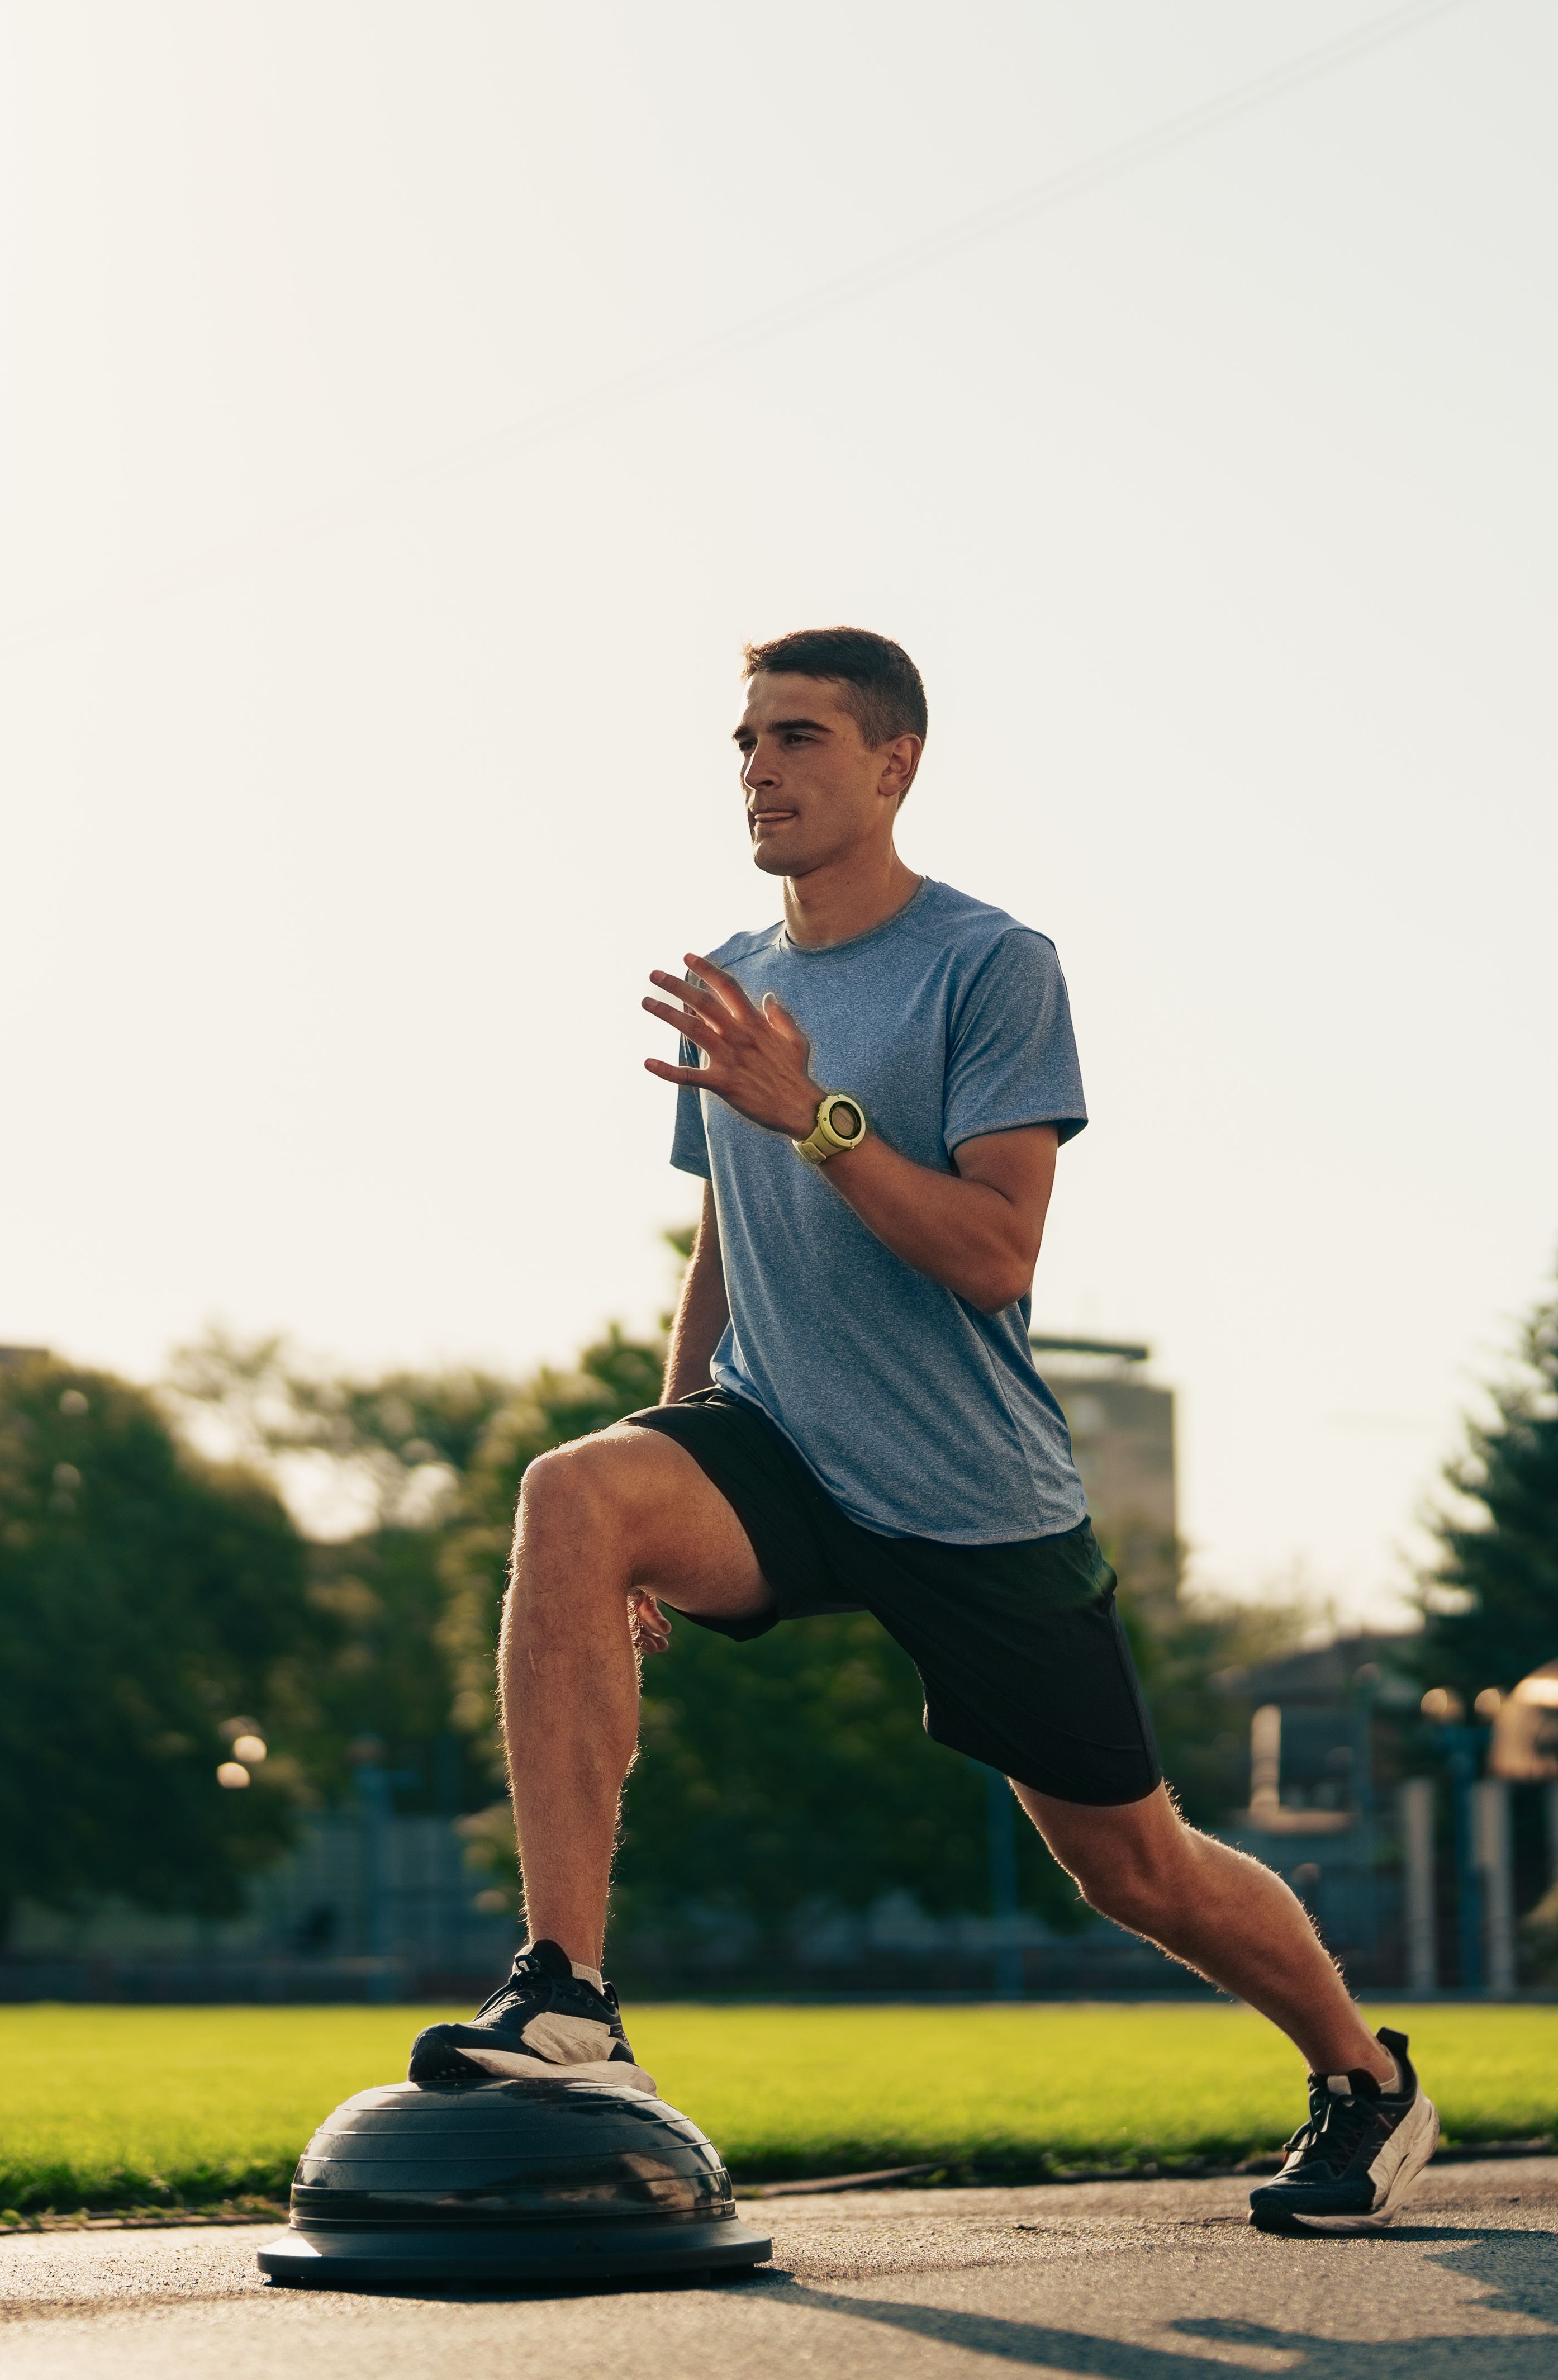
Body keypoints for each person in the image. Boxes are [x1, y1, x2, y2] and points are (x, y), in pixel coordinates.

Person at [406, 626, 1438, 2234]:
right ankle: (566, 1993)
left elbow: (996, 1253)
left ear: (894, 765)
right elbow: (725, 1247)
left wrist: (812, 1114)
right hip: (777, 1446)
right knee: (570, 1493)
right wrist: (664, 1472)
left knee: (1135, 1871)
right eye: (746, 741)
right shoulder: (738, 980)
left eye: (800, 738)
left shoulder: (990, 964)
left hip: (969, 1495)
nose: (761, 769)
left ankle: (1365, 2080)